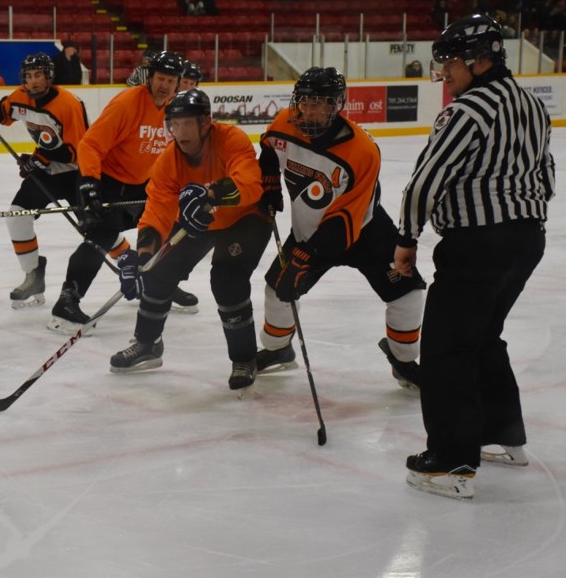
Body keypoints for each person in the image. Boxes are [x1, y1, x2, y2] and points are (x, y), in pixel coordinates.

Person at [395, 14, 554, 500]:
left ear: (480, 59)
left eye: (450, 64)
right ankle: (504, 434)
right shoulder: (531, 103)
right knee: (485, 335)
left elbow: (427, 178)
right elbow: (545, 171)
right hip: (527, 239)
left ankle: (450, 461)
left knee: (447, 349)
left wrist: (407, 237)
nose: (444, 74)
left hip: (476, 245)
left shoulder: (468, 110)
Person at [254, 67, 425, 392]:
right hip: (308, 230)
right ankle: (279, 350)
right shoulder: (283, 125)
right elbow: (268, 150)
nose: (316, 111)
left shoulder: (362, 151)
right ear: (298, 102)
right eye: (309, 102)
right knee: (277, 292)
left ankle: (403, 361)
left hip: (365, 231)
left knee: (408, 292)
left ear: (338, 105)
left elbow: (346, 218)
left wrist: (305, 256)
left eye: (325, 103)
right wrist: (269, 184)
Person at [109, 88, 270, 390]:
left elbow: (250, 184)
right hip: (199, 220)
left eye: (186, 124)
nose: (178, 132)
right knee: (156, 274)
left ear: (205, 122)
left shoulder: (231, 139)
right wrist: (143, 256)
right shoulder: (169, 160)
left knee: (226, 279)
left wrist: (211, 193)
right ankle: (148, 344)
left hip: (244, 218)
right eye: (173, 124)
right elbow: (156, 210)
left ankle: (244, 358)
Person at [49, 50, 192, 333]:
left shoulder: (177, 109)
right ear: (150, 78)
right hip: (108, 181)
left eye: (171, 80)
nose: (165, 85)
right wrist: (90, 182)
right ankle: (66, 302)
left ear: (178, 84)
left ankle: (158, 284)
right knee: (100, 236)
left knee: (169, 231)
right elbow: (90, 144)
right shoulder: (128, 102)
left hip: (144, 184)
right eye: (161, 78)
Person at [0, 53, 95, 308]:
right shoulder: (22, 95)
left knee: (96, 229)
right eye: (29, 76)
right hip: (46, 170)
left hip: (79, 171)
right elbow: (4, 111)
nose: (33, 81)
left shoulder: (68, 104)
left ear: (49, 77)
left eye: (38, 75)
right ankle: (33, 274)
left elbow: (77, 151)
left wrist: (39, 160)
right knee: (17, 214)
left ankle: (129, 265)